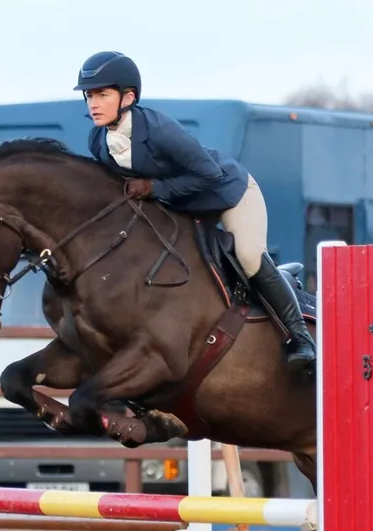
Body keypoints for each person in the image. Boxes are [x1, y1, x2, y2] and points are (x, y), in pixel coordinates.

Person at [72, 51, 316, 379]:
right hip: (184, 207)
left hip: (229, 194)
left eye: (102, 95)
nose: (94, 104)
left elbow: (210, 175)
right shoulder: (98, 140)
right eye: (89, 96)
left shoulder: (159, 130)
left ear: (128, 97)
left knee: (247, 256)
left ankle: (300, 338)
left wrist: (155, 187)